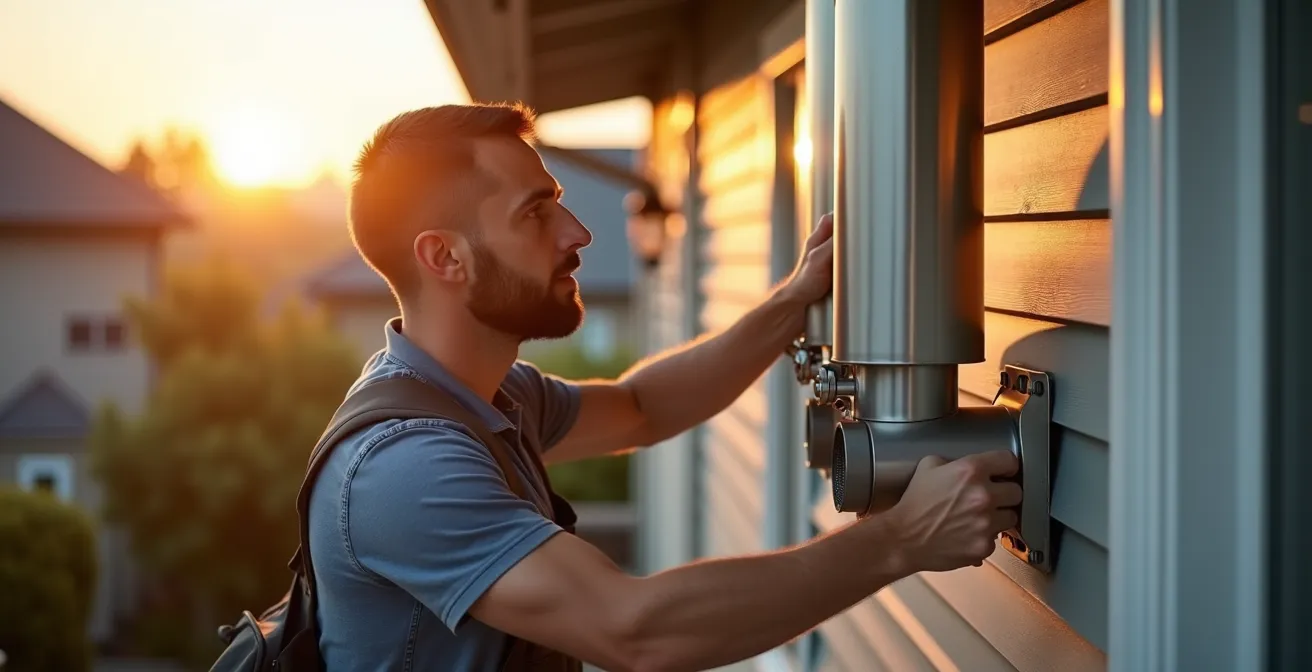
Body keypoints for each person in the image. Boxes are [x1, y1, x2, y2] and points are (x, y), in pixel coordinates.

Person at [307, 102, 1021, 672]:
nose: (578, 231)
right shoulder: (402, 467)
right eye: (535, 212)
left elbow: (643, 408)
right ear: (444, 257)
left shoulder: (491, 397)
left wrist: (792, 304)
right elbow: (635, 633)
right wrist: (900, 540)